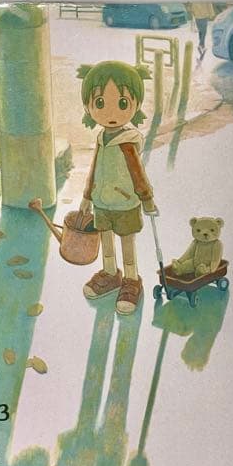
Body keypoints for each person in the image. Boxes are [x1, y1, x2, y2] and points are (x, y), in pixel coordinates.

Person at [77, 60, 157, 316]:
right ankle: (111, 274)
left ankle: (132, 280)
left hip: (125, 203)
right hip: (102, 201)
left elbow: (138, 174)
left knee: (126, 241)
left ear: (135, 105)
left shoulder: (127, 142)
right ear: (88, 106)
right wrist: (87, 197)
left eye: (123, 103)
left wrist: (147, 199)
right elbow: (94, 169)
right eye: (100, 103)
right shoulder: (101, 138)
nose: (111, 112)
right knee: (106, 239)